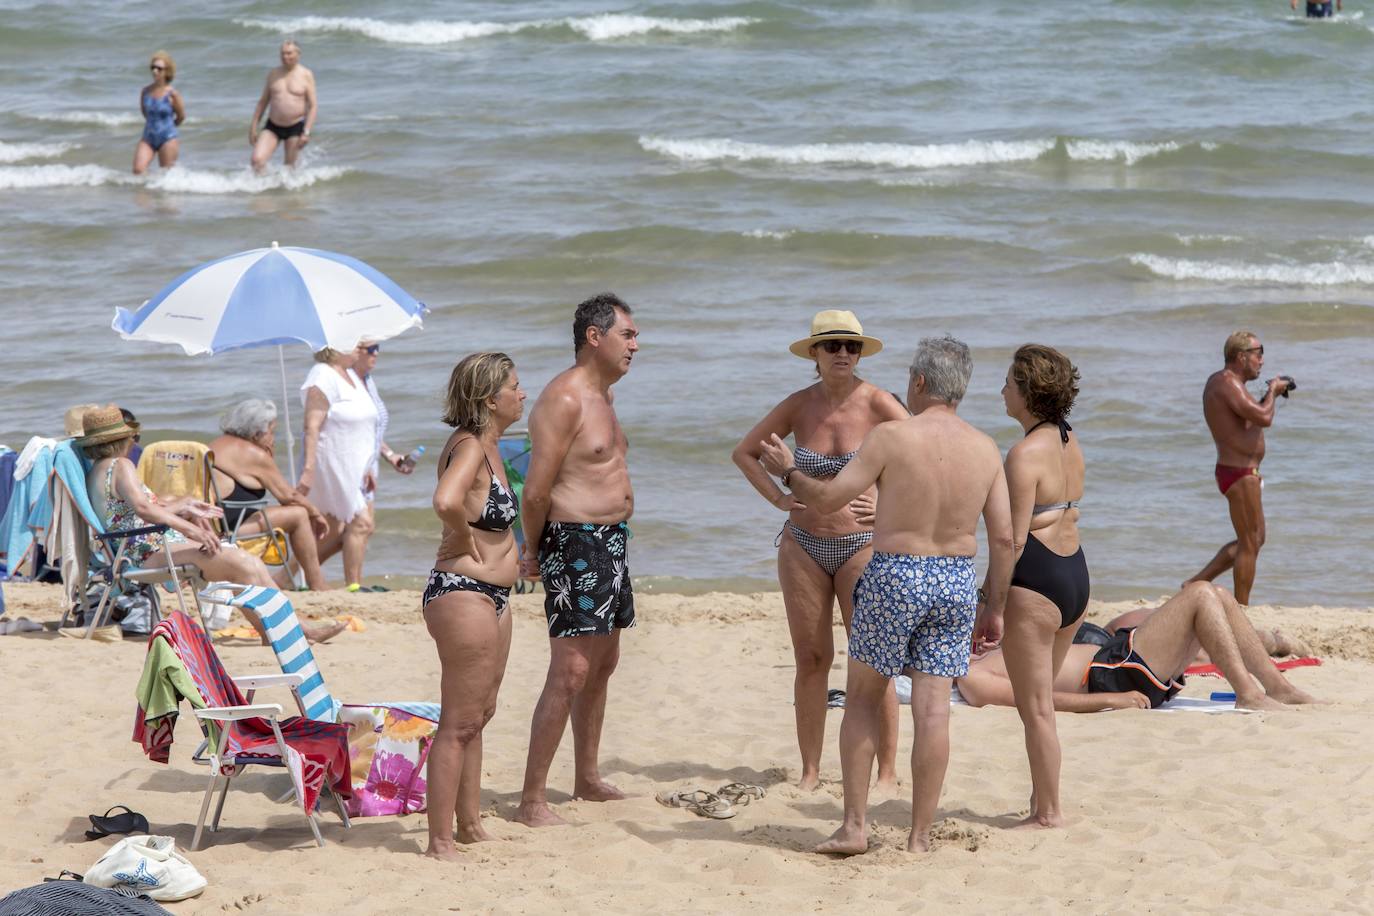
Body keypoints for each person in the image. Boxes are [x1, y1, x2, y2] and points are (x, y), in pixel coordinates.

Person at [759, 335, 1014, 856]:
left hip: (896, 573)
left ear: (918, 383)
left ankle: (855, 827)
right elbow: (1006, 538)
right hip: (954, 578)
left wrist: (787, 470)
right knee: (934, 709)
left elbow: (830, 496)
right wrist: (995, 606)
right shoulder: (986, 448)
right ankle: (920, 836)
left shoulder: (893, 438)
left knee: (863, 698)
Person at [732, 310, 908, 793]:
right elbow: (744, 452)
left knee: (872, 660)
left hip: (862, 546)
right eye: (832, 346)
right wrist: (777, 498)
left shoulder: (879, 403)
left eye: (851, 346)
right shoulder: (798, 405)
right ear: (814, 353)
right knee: (811, 658)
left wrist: (891, 505)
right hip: (803, 545)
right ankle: (810, 770)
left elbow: (925, 453)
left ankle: (888, 771)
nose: (843, 354)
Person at [514, 292, 640, 828]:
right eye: (627, 334)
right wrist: (532, 551)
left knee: (604, 663)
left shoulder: (604, 395)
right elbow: (537, 490)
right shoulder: (564, 399)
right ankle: (531, 801)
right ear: (595, 337)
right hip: (574, 540)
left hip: (612, 540)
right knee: (570, 670)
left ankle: (586, 777)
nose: (636, 343)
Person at [77, 405, 343, 645]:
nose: (133, 442)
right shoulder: (121, 465)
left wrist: (184, 507)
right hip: (147, 552)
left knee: (246, 564)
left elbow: (127, 516)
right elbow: (143, 509)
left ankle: (287, 630)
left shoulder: (97, 472)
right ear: (122, 440)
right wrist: (188, 528)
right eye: (132, 437)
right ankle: (288, 631)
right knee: (242, 564)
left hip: (135, 548)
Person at [424, 353, 526, 859]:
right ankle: (439, 839)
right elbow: (446, 500)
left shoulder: (491, 444)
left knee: (480, 715)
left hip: (495, 596)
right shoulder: (468, 446)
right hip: (462, 593)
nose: (522, 393)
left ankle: (469, 825)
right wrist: (462, 538)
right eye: (515, 385)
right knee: (458, 721)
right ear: (491, 399)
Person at [956, 582, 1321, 712]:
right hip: (1111, 676)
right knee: (1199, 595)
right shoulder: (973, 676)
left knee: (1218, 596)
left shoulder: (991, 651)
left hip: (1117, 661)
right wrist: (1109, 701)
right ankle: (1249, 693)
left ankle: (1279, 688)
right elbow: (1039, 702)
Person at [995, 345, 1088, 830]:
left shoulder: (1023, 454)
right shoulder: (1070, 441)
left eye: (1009, 383)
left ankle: (1049, 812)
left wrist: (990, 602)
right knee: (1043, 705)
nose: (1002, 391)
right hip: (1074, 573)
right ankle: (1041, 799)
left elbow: (1010, 539)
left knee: (1034, 709)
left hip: (1036, 579)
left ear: (1029, 392)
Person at [1186, 331, 1292, 605]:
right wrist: (1273, 392)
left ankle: (1196, 582)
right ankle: (1241, 606)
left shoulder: (1232, 385)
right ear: (1241, 356)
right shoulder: (1225, 382)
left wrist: (1270, 395)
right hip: (1239, 472)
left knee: (1254, 540)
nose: (1262, 360)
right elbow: (1263, 417)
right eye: (1259, 353)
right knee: (1249, 542)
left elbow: (1248, 421)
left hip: (1243, 472)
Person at [208, 398, 330, 590]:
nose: (273, 437)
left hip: (207, 525)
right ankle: (317, 584)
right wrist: (315, 513)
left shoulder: (216, 444)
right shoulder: (252, 454)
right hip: (230, 529)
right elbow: (288, 496)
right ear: (257, 432)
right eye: (272, 431)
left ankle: (295, 580)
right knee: (299, 514)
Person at [299, 347, 378, 592]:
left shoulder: (350, 375)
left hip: (354, 466)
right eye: (352, 342)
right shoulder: (322, 374)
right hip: (331, 461)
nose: (358, 347)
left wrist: (368, 466)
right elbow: (312, 426)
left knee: (335, 533)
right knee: (362, 523)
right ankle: (353, 586)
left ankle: (287, 578)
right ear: (334, 348)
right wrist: (309, 469)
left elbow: (362, 424)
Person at [249, 40, 317, 172]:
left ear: (298, 54)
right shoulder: (273, 74)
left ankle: (286, 192)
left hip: (295, 127)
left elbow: (313, 106)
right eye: (282, 54)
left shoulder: (306, 75)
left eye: (289, 53)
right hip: (273, 126)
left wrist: (306, 132)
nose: (285, 57)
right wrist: (253, 127)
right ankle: (263, 190)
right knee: (256, 161)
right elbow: (263, 102)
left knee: (289, 169)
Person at [133, 51, 184, 175]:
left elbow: (181, 116)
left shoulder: (172, 94)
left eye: (159, 68)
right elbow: (145, 113)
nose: (155, 71)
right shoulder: (145, 91)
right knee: (138, 170)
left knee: (166, 175)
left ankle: (159, 192)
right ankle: (147, 190)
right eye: (153, 67)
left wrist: (169, 126)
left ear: (167, 71)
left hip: (168, 137)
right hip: (148, 137)